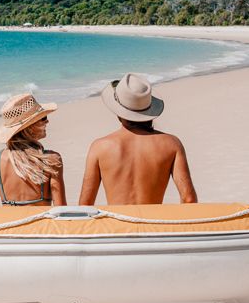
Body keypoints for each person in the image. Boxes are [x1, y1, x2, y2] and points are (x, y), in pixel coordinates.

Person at [79, 73, 197, 206]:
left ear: (119, 111)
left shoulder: (99, 147)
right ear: (149, 110)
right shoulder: (172, 144)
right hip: (153, 225)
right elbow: (189, 199)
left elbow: (85, 205)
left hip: (118, 225)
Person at [0, 92, 65, 207]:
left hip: (10, 224)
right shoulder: (51, 159)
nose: (47, 121)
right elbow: (61, 209)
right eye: (43, 118)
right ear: (30, 127)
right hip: (40, 224)